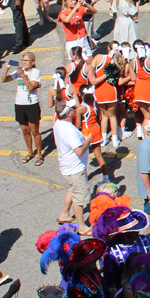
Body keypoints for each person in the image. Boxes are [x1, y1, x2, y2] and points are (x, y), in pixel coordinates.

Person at [53, 100, 91, 234]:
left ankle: (64, 214)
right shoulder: (69, 130)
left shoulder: (59, 123)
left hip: (67, 166)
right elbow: (79, 151)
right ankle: (82, 226)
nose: (75, 110)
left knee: (72, 189)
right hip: (74, 168)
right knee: (79, 198)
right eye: (73, 109)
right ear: (68, 113)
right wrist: (87, 141)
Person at [8, 53, 44, 165]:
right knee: (25, 130)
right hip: (19, 103)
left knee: (34, 131)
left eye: (27, 60)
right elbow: (4, 79)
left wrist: (23, 75)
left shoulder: (35, 72)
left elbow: (31, 87)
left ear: (32, 62)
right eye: (23, 60)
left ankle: (39, 154)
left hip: (31, 104)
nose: (24, 62)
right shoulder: (18, 72)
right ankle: (30, 152)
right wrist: (6, 70)